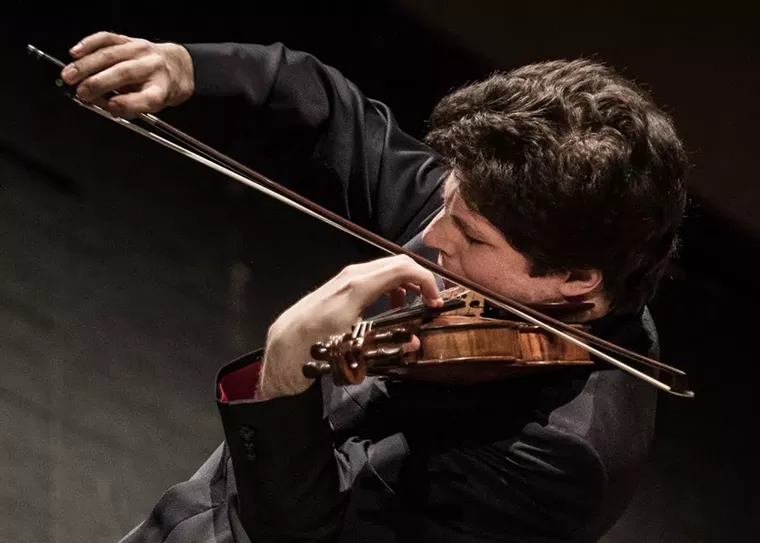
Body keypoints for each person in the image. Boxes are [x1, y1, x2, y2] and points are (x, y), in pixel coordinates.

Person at [60, 31, 689, 542]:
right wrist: (187, 67)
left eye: (470, 236)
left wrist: (283, 377)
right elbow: (326, 110)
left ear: (574, 279)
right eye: (447, 201)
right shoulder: (494, 211)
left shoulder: (562, 460)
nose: (433, 235)